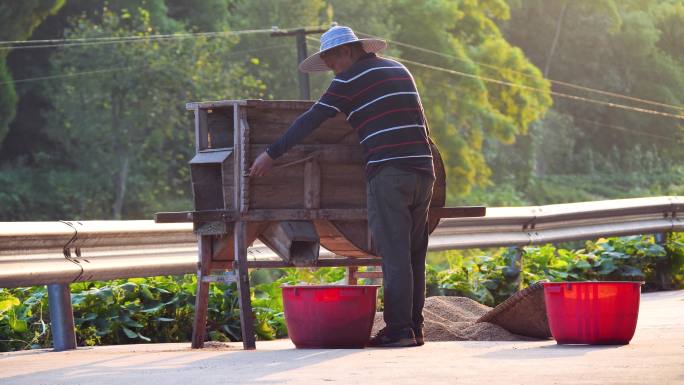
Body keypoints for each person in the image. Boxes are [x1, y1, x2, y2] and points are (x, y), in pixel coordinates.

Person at [250, 26, 434, 348]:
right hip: (424, 169)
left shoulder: (348, 81)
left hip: (389, 172)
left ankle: (399, 330)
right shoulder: (398, 69)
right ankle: (415, 328)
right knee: (414, 254)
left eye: (331, 60)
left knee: (393, 255)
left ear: (348, 52)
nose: (331, 69)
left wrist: (271, 153)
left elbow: (311, 119)